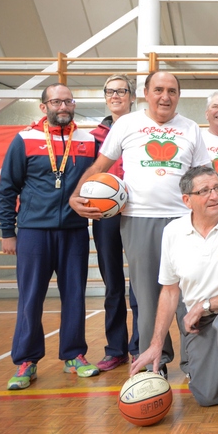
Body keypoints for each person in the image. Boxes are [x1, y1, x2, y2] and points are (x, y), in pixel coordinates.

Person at [70, 71, 212, 378]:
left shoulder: (190, 128)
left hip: (184, 220)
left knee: (189, 294)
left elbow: (203, 173)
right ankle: (155, 361)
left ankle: (194, 363)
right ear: (146, 93)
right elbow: (100, 166)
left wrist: (215, 193)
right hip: (138, 220)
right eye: (158, 89)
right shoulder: (126, 124)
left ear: (178, 95)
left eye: (172, 91)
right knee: (147, 297)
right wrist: (77, 193)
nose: (165, 96)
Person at [130, 166, 218, 431]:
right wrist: (156, 343)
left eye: (217, 188)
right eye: (204, 191)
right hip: (197, 321)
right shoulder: (173, 232)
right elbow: (169, 292)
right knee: (207, 396)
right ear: (186, 200)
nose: (214, 196)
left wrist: (204, 305)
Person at [1, 83, 100, 389]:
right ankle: (26, 361)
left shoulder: (87, 141)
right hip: (33, 232)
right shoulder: (24, 139)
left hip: (74, 232)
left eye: (68, 101)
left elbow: (97, 184)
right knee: (31, 298)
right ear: (43, 107)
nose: (63, 106)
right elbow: (8, 189)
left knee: (74, 296)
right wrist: (8, 232)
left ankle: (74, 355)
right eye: (56, 101)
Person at [90, 74, 139, 371]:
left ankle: (138, 346)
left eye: (122, 91)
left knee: (140, 285)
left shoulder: (142, 129)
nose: (116, 95)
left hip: (136, 213)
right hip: (105, 216)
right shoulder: (94, 136)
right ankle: (116, 348)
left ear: (132, 96)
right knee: (112, 284)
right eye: (110, 91)